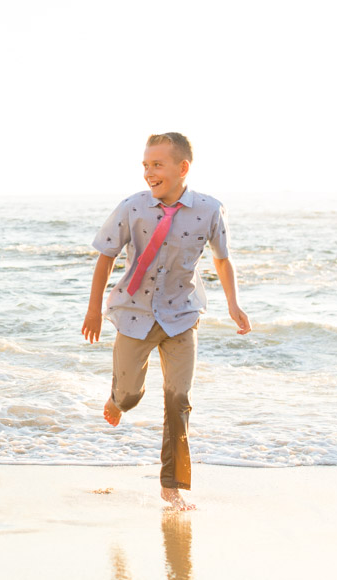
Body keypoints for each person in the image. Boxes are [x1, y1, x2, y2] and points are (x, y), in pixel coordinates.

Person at [81, 132, 251, 510]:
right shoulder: (133, 207)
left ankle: (172, 486)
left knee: (179, 399)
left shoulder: (210, 209)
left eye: (157, 165)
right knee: (129, 395)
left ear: (182, 168)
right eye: (145, 165)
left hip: (182, 315)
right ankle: (118, 398)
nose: (148, 173)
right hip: (133, 315)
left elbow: (222, 259)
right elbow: (105, 256)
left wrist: (233, 304)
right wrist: (93, 310)